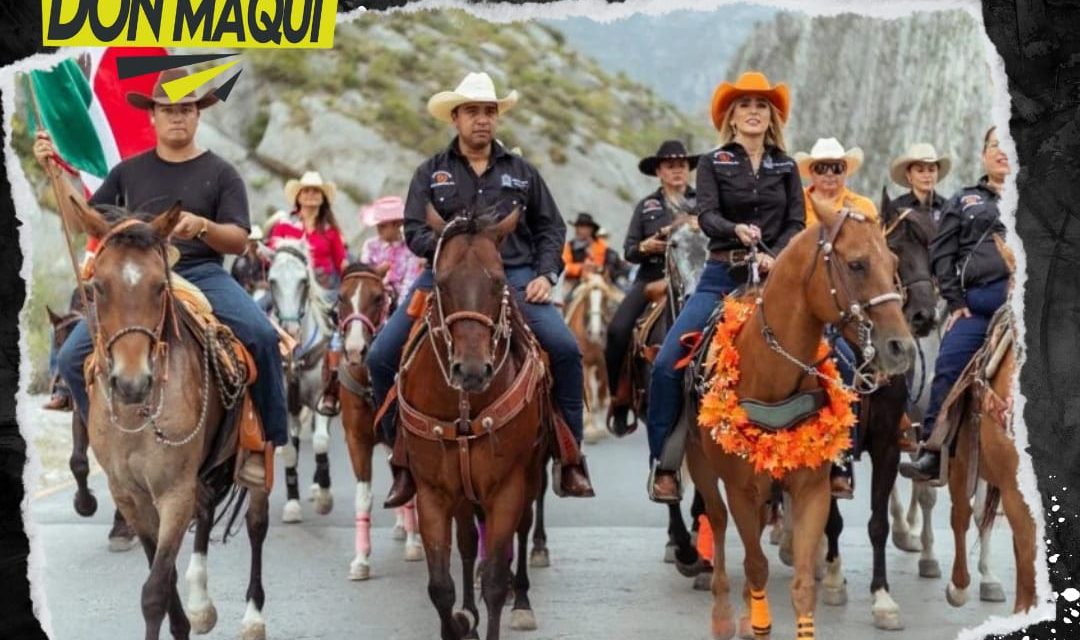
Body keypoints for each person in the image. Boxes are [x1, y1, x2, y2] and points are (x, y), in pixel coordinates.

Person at [38, 68, 288, 487]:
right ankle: (106, 443)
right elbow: (85, 222)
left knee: (262, 337)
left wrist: (202, 226)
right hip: (138, 283)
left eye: (186, 109)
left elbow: (238, 237)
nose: (177, 117)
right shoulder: (127, 172)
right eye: (168, 109)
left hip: (201, 273)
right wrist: (56, 172)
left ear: (198, 115)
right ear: (152, 116)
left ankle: (265, 442)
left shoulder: (222, 173)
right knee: (67, 358)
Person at [366, 71, 594, 506]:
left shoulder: (523, 173)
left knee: (565, 349)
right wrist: (455, 253)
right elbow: (414, 230)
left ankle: (570, 456)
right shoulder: (431, 173)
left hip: (517, 276)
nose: (482, 120)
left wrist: (547, 274)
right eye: (472, 112)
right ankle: (404, 458)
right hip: (445, 278)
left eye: (489, 111)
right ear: (455, 118)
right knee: (380, 356)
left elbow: (551, 227)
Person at [649, 72, 805, 501]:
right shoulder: (714, 163)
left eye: (761, 105)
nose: (753, 112)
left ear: (770, 116)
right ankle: (664, 464)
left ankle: (837, 462)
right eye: (744, 105)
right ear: (731, 117)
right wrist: (735, 229)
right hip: (721, 275)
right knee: (667, 364)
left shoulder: (786, 165)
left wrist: (780, 254)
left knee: (835, 357)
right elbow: (707, 216)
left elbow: (796, 221)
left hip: (776, 279)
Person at [899, 126, 1012, 483]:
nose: (1002, 151)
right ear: (984, 155)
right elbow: (941, 255)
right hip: (979, 307)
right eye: (995, 144)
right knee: (948, 363)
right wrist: (955, 300)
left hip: (1035, 309)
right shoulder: (963, 201)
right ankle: (933, 450)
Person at [794, 136, 878, 499]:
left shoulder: (863, 206)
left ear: (846, 171)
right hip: (800, 298)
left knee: (846, 360)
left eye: (837, 167)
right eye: (822, 168)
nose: (830, 174)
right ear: (811, 172)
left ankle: (843, 458)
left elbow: (873, 256)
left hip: (846, 302)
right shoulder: (797, 204)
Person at [605, 139, 699, 435]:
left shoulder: (703, 203)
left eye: (682, 165)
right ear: (659, 171)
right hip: (652, 280)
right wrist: (646, 246)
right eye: (670, 166)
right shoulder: (646, 206)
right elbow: (629, 250)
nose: (677, 170)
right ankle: (619, 398)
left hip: (696, 278)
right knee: (617, 330)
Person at [359, 196, 424, 300]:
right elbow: (363, 275)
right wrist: (377, 272)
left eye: (383, 226)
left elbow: (409, 282)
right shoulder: (370, 245)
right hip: (372, 298)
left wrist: (399, 306)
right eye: (378, 226)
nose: (379, 230)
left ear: (397, 224)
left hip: (400, 298)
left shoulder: (409, 249)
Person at [889, 143, 950, 227]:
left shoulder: (947, 208)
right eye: (920, 171)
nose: (927, 175)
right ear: (909, 175)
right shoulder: (896, 207)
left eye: (931, 170)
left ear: (937, 173)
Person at [561, 213, 607, 298]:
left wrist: (591, 258)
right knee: (561, 296)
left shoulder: (599, 245)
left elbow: (598, 264)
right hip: (571, 281)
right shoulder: (569, 246)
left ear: (591, 230)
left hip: (592, 280)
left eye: (583, 227)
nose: (579, 230)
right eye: (578, 226)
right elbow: (565, 267)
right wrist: (581, 268)